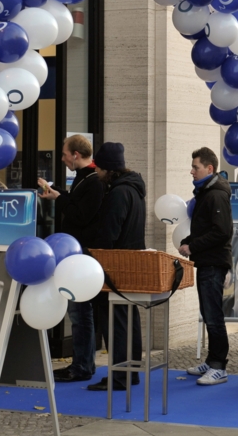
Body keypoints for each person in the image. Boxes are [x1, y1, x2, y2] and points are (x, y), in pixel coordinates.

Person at [38, 135, 104, 383]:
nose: (63, 159)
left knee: (80, 312)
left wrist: (59, 198)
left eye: (65, 154)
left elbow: (81, 213)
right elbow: (77, 203)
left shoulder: (93, 180)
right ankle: (82, 363)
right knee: (79, 312)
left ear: (76, 154)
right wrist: (59, 194)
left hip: (82, 256)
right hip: (76, 255)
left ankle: (82, 366)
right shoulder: (85, 178)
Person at [87, 142, 146, 392]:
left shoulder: (119, 193)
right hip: (130, 263)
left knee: (116, 322)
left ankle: (120, 375)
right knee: (128, 319)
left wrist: (94, 252)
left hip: (115, 265)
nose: (96, 173)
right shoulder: (133, 189)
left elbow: (110, 232)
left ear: (108, 169)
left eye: (98, 168)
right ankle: (129, 372)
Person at [179, 147, 234, 385]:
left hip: (213, 262)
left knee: (213, 316)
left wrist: (193, 247)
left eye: (195, 167)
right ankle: (212, 361)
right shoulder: (207, 192)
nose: (191, 171)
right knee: (209, 313)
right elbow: (205, 228)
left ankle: (219, 366)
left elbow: (222, 232)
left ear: (209, 169)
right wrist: (188, 241)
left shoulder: (215, 194)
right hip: (207, 261)